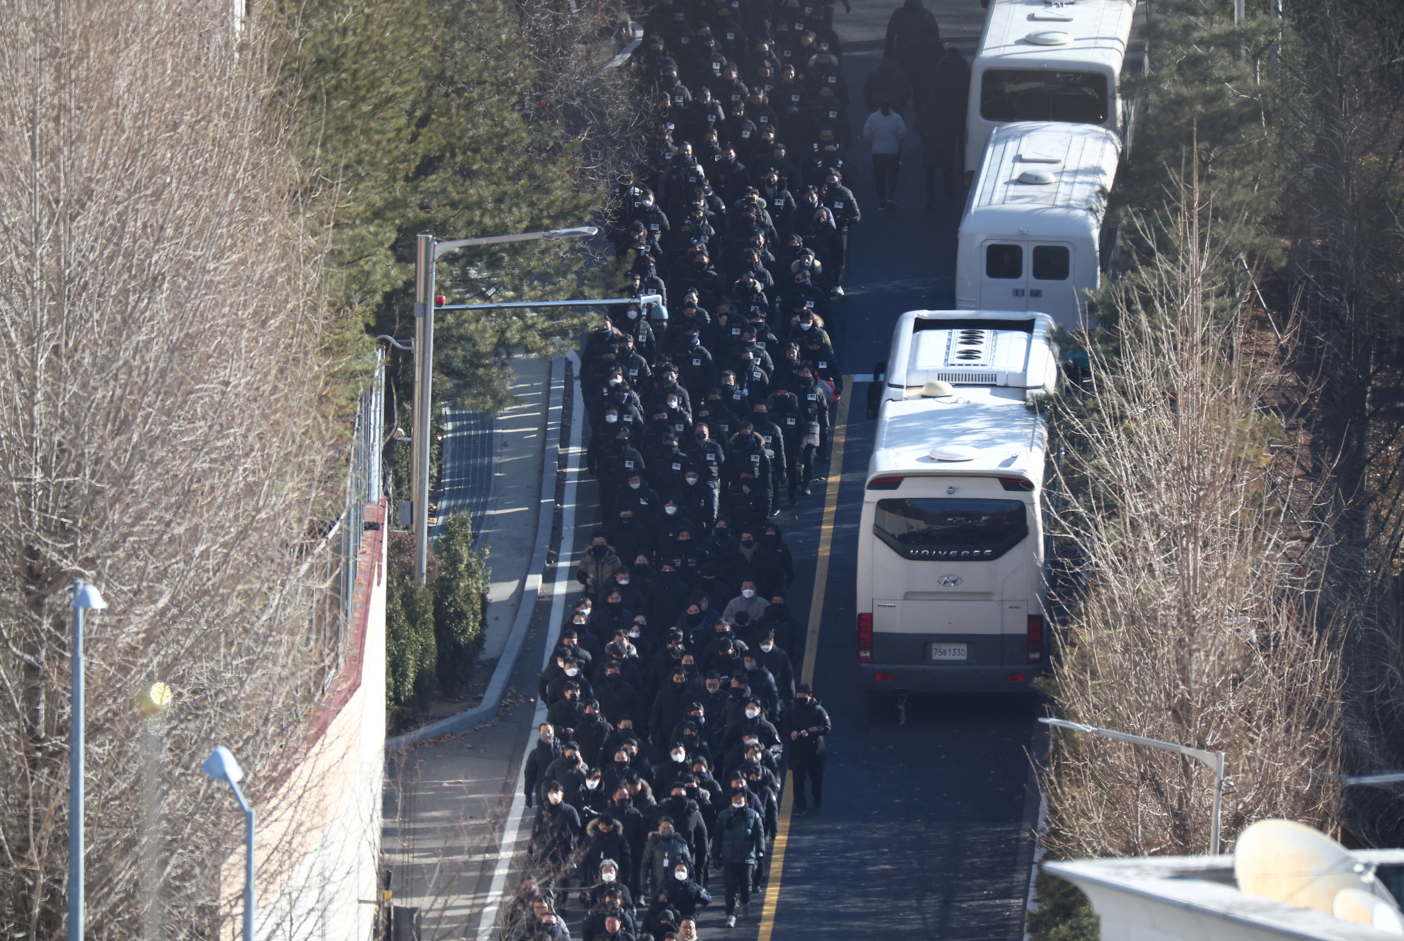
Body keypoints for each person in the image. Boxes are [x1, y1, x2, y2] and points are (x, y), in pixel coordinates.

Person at [712, 786, 766, 927]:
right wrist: (715, 855)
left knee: (746, 885)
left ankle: (746, 901)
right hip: (729, 858)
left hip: (746, 857)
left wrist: (760, 851)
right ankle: (731, 914)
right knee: (730, 887)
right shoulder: (724, 816)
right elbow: (717, 837)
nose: (738, 800)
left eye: (740, 798)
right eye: (735, 798)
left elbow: (759, 835)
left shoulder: (753, 815)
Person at [786, 683, 832, 815]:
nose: (799, 698)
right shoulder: (793, 709)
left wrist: (810, 731)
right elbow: (784, 725)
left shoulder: (818, 710)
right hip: (797, 751)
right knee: (798, 782)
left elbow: (826, 726)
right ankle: (800, 806)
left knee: (816, 780)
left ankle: (816, 798)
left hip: (814, 752)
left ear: (810, 696)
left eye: (802, 696)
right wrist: (792, 731)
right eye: (798, 695)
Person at [863, 99, 908, 211]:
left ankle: (881, 200)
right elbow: (902, 133)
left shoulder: (872, 117)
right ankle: (891, 197)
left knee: (880, 176)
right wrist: (897, 142)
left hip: (877, 152)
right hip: (893, 151)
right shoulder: (897, 118)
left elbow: (867, 133)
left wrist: (874, 142)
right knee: (892, 175)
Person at [530, 783, 583, 878]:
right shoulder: (542, 811)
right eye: (550, 792)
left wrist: (574, 851)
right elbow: (536, 832)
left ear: (562, 794)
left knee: (563, 879)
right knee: (545, 879)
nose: (553, 795)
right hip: (546, 850)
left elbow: (577, 832)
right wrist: (532, 851)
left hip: (564, 850)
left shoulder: (570, 811)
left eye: (555, 792)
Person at [524, 723, 563, 808]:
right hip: (542, 792)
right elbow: (529, 775)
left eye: (549, 731)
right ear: (540, 734)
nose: (546, 734)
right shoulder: (535, 754)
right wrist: (528, 794)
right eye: (543, 731)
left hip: (559, 792)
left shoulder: (561, 751)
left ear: (553, 732)